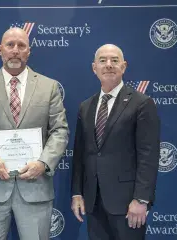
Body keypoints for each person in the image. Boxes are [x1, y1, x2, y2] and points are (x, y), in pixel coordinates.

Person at [0, 27, 69, 240]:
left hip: (35, 189)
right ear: (0, 50)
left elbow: (60, 130)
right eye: (10, 45)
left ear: (29, 51)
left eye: (21, 46)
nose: (15, 50)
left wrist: (43, 163)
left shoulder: (50, 87)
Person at [71, 44, 160, 239]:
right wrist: (77, 193)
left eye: (114, 60)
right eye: (103, 61)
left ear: (124, 66)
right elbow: (79, 154)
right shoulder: (86, 107)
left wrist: (141, 199)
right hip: (94, 202)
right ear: (94, 68)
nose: (109, 65)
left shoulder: (142, 103)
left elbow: (149, 156)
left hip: (128, 204)